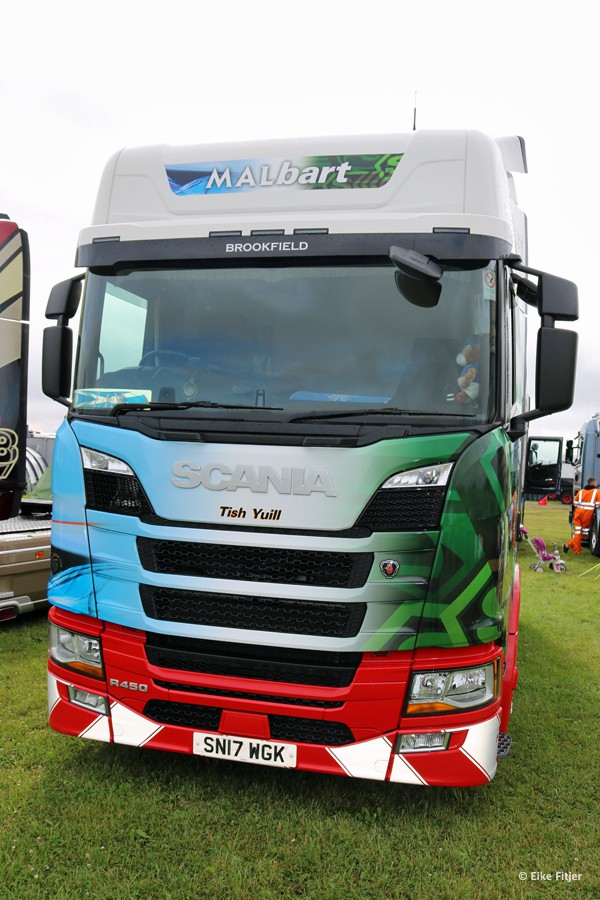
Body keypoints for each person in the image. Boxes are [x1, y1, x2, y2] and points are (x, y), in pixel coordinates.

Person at [563, 477, 600, 554]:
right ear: (592, 483)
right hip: (587, 514)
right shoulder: (597, 492)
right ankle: (577, 551)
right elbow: (598, 505)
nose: (597, 484)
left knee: (577, 532)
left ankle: (567, 545)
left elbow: (575, 503)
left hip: (578, 513)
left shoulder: (580, 491)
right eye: (596, 482)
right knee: (583, 534)